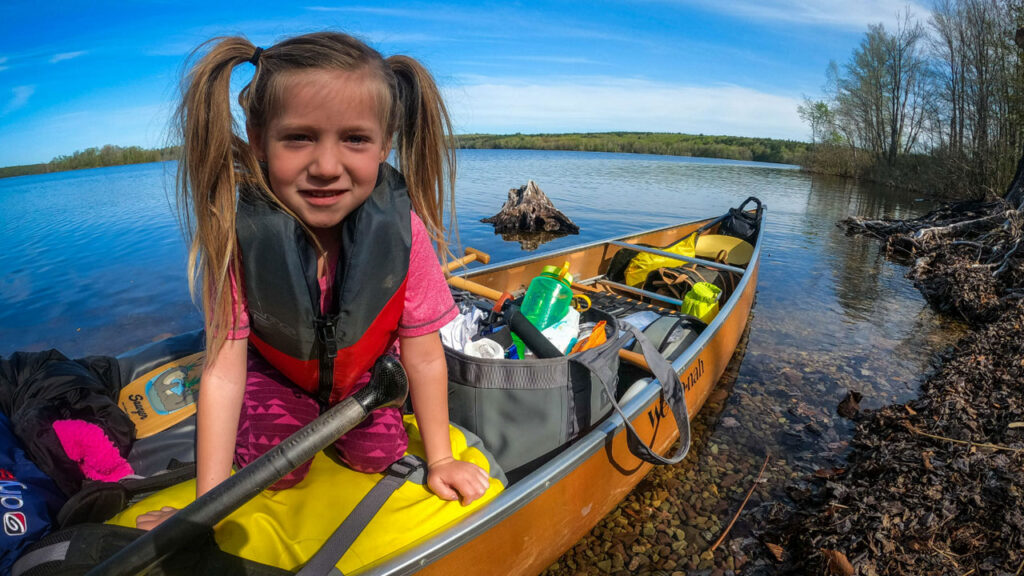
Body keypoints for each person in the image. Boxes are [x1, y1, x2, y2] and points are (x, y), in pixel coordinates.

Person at [136, 32, 489, 530]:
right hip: (281, 371)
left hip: (365, 379)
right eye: (298, 137)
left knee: (378, 455)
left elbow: (425, 353)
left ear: (386, 144)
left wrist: (440, 460)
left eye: (356, 139)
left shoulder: (403, 234)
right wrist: (205, 507)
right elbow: (222, 371)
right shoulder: (237, 238)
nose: (326, 167)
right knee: (272, 473)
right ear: (258, 139)